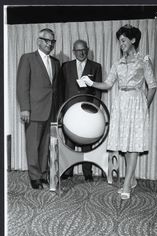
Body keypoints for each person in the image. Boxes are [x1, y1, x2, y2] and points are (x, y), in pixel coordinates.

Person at [81, 24, 157, 199]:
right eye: (119, 41)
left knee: (133, 146)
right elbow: (107, 84)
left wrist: (145, 106)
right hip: (121, 104)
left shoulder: (143, 60)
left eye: (123, 40)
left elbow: (152, 86)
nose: (121, 44)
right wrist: (90, 83)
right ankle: (131, 179)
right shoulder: (117, 63)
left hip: (137, 103)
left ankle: (126, 184)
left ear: (133, 40)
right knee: (125, 144)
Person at [17, 28, 60, 189]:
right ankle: (34, 177)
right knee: (33, 145)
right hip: (33, 111)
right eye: (47, 40)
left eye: (53, 41)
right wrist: (24, 108)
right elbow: (22, 85)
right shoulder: (27, 58)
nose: (50, 44)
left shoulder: (56, 62)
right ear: (39, 41)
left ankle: (42, 174)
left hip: (51, 111)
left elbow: (55, 88)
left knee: (45, 146)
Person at [59, 39, 102, 182]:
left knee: (87, 143)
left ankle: (87, 172)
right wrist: (62, 111)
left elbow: (97, 91)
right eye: (78, 50)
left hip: (87, 113)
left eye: (83, 50)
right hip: (70, 111)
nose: (81, 53)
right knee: (69, 142)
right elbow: (61, 89)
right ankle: (68, 170)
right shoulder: (65, 66)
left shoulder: (95, 67)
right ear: (74, 51)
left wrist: (94, 110)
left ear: (87, 50)